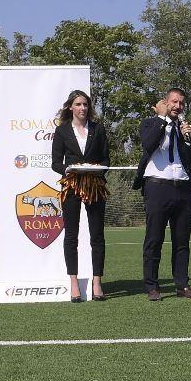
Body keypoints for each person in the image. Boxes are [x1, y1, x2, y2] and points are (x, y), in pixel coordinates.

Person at [132, 87, 191, 301]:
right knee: (154, 238)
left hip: (182, 186)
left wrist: (188, 139)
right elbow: (149, 144)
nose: (177, 106)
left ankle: (182, 284)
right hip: (157, 186)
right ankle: (152, 286)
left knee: (182, 241)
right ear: (165, 102)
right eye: (174, 102)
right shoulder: (150, 123)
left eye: (181, 103)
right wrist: (162, 120)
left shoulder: (184, 127)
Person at [51, 89, 110, 302]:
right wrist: (68, 168)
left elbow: (106, 161)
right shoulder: (62, 131)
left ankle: (97, 282)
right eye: (78, 104)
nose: (82, 108)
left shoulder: (98, 129)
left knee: (97, 236)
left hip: (95, 186)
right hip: (72, 186)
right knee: (71, 236)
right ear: (70, 107)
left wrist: (96, 168)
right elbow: (56, 162)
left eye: (85, 104)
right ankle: (74, 283)